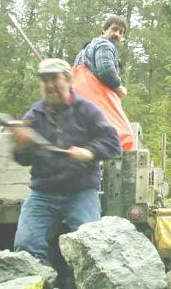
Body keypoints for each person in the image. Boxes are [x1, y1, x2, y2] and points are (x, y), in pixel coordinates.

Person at [12, 58, 121, 267]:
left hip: (80, 192)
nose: (50, 85)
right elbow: (23, 159)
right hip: (43, 192)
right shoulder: (34, 115)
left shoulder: (87, 110)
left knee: (94, 248)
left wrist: (89, 152)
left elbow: (112, 143)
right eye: (44, 80)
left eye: (55, 79)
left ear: (69, 80)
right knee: (25, 245)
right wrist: (20, 146)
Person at [73, 15, 134, 150]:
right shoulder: (105, 44)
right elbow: (106, 71)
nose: (117, 34)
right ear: (104, 31)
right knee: (124, 136)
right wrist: (119, 87)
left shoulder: (83, 52)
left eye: (121, 32)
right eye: (114, 29)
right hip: (93, 96)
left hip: (78, 100)